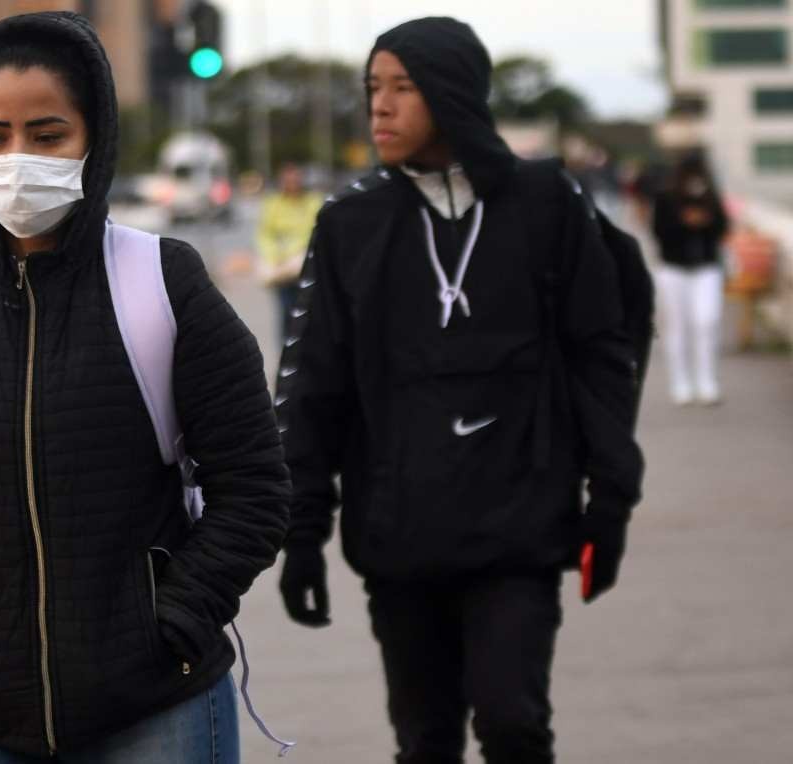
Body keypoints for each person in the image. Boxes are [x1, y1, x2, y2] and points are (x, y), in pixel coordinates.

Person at [0, 11, 288, 763]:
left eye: (47, 136)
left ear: (94, 138)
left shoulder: (161, 282)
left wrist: (172, 623)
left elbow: (256, 483)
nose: (17, 158)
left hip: (154, 703)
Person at [275, 17, 644, 764]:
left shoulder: (547, 203)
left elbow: (602, 353)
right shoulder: (350, 222)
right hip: (399, 533)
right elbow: (314, 384)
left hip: (522, 523)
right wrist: (302, 534)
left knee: (514, 725)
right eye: (372, 89)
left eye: (402, 89)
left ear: (453, 93)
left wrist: (610, 500)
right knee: (426, 741)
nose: (379, 108)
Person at [651, 155, 729, 405]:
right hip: (673, 268)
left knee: (706, 321)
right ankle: (680, 382)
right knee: (676, 327)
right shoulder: (665, 198)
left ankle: (707, 381)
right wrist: (683, 222)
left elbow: (724, 227)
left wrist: (705, 220)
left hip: (706, 267)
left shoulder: (712, 197)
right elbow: (658, 231)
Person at [255, 163, 323, 339]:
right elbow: (265, 233)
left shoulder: (313, 201)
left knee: (311, 312)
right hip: (283, 267)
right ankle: (287, 352)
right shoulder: (273, 204)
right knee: (286, 311)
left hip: (309, 264)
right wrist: (273, 256)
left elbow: (318, 230)